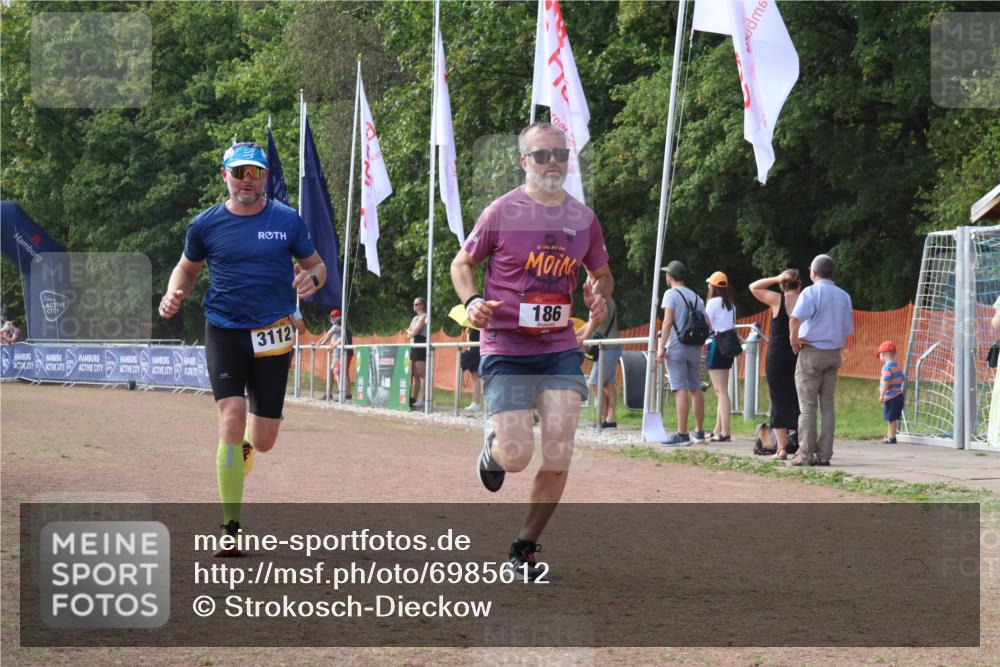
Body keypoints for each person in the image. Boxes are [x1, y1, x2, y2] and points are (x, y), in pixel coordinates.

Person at [450, 121, 612, 581]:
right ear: (524, 162)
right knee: (517, 456)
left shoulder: (583, 219)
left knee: (559, 451)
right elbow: (461, 263)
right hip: (506, 344)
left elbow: (602, 275)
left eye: (560, 153)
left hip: (560, 346)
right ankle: (494, 451)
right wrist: (472, 301)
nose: (552, 162)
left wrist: (599, 293)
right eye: (542, 155)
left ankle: (522, 548)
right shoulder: (501, 212)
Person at [159, 140, 326, 555]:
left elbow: (317, 265)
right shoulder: (205, 224)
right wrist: (173, 293)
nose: (246, 181)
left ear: (264, 177)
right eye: (239, 172)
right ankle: (231, 529)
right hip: (224, 330)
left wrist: (313, 280)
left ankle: (242, 451)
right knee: (230, 419)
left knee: (263, 440)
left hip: (272, 334)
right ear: (225, 176)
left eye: (254, 173)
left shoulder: (287, 221)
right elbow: (187, 268)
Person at [789, 254, 854, 467]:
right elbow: (847, 329)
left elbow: (795, 319)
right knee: (827, 405)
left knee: (808, 406)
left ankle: (805, 453)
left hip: (811, 352)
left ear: (813, 272)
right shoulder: (844, 296)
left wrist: (794, 340)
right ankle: (824, 454)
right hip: (833, 354)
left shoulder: (810, 292)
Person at [750, 269, 802, 459]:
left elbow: (753, 287)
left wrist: (775, 278)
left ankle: (781, 448)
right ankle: (801, 445)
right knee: (800, 400)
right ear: (799, 283)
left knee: (778, 399)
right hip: (799, 353)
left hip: (777, 355)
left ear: (783, 283)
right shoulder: (805, 301)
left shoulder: (776, 300)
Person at [656, 260, 708, 445]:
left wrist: (661, 347)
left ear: (670, 277)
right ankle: (699, 433)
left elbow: (667, 321)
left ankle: (682, 434)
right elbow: (707, 323)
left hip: (677, 347)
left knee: (680, 389)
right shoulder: (696, 297)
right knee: (696, 388)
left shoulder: (670, 294)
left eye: (666, 275)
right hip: (694, 348)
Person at [577, 279, 621, 428]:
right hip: (610, 346)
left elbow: (594, 321)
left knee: (594, 382)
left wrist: (582, 338)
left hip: (607, 348)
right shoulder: (607, 300)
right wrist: (577, 334)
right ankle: (610, 418)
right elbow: (590, 322)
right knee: (608, 383)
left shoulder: (601, 301)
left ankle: (603, 418)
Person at [703, 271, 735, 442]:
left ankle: (725, 432)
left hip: (715, 345)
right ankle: (718, 428)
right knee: (721, 391)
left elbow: (706, 322)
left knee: (720, 391)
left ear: (713, 286)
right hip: (727, 347)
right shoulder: (730, 304)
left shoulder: (712, 302)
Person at [316, 309, 353, 401]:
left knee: (337, 371)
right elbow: (334, 337)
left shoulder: (342, 329)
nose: (332, 319)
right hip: (341, 353)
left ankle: (342, 394)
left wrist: (325, 344)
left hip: (344, 354)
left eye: (334, 317)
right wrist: (325, 344)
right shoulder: (340, 328)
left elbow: (337, 339)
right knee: (338, 371)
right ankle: (345, 394)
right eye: (331, 316)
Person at [877, 340, 905, 444]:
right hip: (899, 394)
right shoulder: (896, 366)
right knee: (892, 418)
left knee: (891, 419)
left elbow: (886, 381)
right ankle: (890, 435)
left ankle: (892, 437)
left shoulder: (886, 367)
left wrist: (882, 394)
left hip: (891, 396)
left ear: (883, 354)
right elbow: (902, 378)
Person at [407, 297, 428, 408]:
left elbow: (414, 331)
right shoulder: (415, 318)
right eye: (414, 304)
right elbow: (409, 332)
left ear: (422, 305)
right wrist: (411, 332)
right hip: (413, 345)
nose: (415, 306)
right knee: (415, 374)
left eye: (417, 304)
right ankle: (414, 398)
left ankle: (425, 399)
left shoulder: (424, 317)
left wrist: (411, 332)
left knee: (422, 373)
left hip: (420, 344)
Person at [460, 327, 482, 412]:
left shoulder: (475, 325)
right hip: (475, 349)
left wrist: (468, 333)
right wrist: (468, 333)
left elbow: (470, 342)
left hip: (474, 350)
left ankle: (459, 397)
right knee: (476, 377)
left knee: (459, 366)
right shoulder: (473, 326)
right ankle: (476, 403)